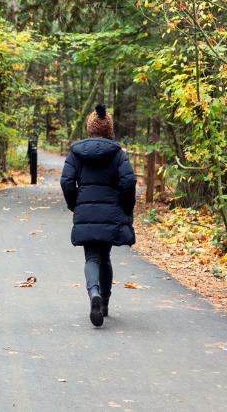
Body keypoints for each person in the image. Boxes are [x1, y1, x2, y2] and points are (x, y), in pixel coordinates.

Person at [60, 104, 136, 327]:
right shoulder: (118, 154)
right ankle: (104, 302)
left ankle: (93, 292)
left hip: (86, 211)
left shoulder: (76, 153)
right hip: (111, 214)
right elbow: (129, 181)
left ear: (90, 128)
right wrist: (124, 205)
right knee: (106, 257)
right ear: (108, 129)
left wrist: (76, 204)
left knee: (91, 258)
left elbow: (66, 181)